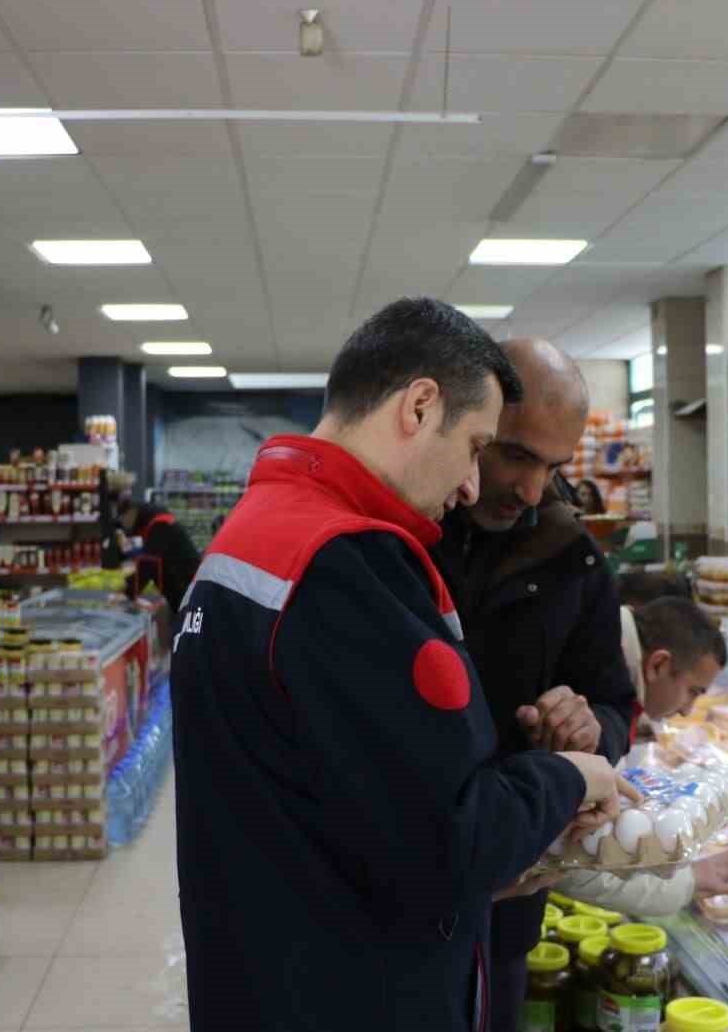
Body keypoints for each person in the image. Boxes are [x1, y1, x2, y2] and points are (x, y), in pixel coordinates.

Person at [170, 298, 632, 1032]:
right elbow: (451, 843)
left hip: (271, 963)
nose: (474, 485)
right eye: (480, 446)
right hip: (348, 986)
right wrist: (572, 777)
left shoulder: (254, 533)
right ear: (419, 407)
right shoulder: (343, 563)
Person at [429, 339, 639, 1032]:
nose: (530, 489)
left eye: (553, 467)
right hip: (395, 875)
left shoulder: (572, 558)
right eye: (516, 455)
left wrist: (590, 730)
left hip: (513, 885)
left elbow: (615, 703)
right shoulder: (400, 537)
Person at [560, 596, 728, 916]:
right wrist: (688, 881)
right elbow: (567, 850)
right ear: (658, 664)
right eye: (693, 691)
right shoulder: (592, 683)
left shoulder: (603, 653)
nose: (687, 710)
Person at [114, 484, 201, 612]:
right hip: (187, 591)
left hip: (189, 595)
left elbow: (148, 564)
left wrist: (127, 591)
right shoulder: (158, 523)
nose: (124, 525)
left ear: (133, 511)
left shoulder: (160, 525)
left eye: (124, 518)